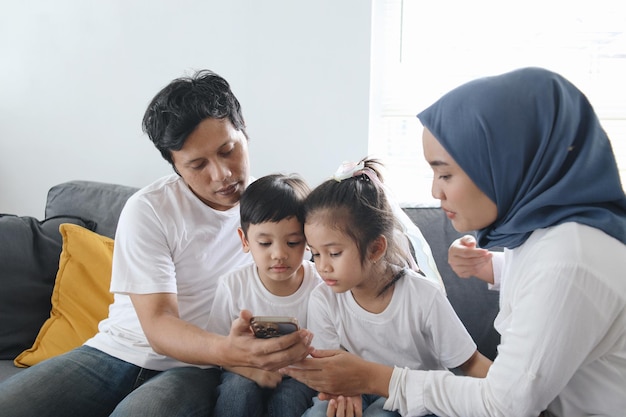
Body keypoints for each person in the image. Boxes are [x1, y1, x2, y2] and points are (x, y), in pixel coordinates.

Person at [283, 67, 626, 417]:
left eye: (445, 173)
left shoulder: (569, 259)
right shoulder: (547, 237)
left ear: (505, 162)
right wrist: (492, 266)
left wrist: (375, 378)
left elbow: (503, 404)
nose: (436, 191)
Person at [0, 69, 313, 417]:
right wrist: (233, 351)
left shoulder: (273, 210)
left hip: (196, 368)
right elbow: (160, 322)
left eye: (228, 150)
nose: (221, 174)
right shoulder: (151, 209)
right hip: (115, 351)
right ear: (176, 167)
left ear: (245, 134)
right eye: (197, 164)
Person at [300, 158, 492, 417]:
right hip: (359, 387)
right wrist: (342, 391)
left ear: (376, 248)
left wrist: (519, 396)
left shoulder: (423, 296)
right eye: (315, 254)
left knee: (380, 413)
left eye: (333, 253)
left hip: (416, 395)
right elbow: (330, 364)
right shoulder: (323, 298)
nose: (322, 266)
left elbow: (469, 363)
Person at [207, 173, 320, 417]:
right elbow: (218, 351)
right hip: (245, 369)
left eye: (292, 242)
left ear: (309, 240)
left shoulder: (320, 285)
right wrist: (252, 370)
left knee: (289, 400)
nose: (279, 254)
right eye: (265, 243)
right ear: (245, 240)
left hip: (300, 374)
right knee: (237, 391)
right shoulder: (233, 285)